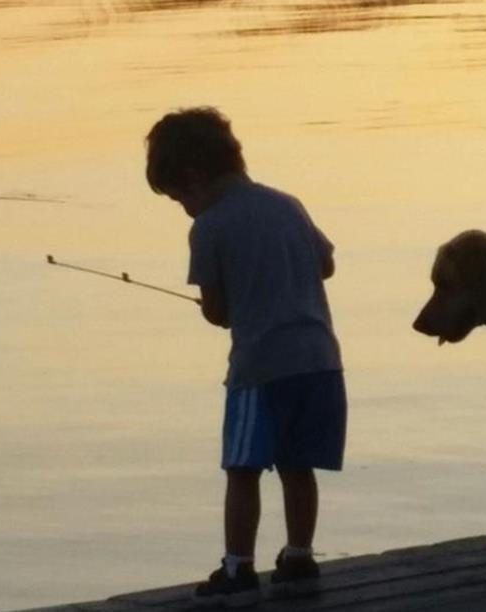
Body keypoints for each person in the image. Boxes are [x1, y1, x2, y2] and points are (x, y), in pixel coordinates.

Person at [145, 107, 347, 607]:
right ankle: (299, 555)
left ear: (194, 177)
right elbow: (325, 265)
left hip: (260, 368)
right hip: (320, 361)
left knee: (242, 468)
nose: (184, 209)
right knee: (298, 464)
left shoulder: (209, 227)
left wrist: (222, 304)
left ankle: (238, 566)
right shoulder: (288, 205)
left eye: (179, 198)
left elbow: (217, 311)